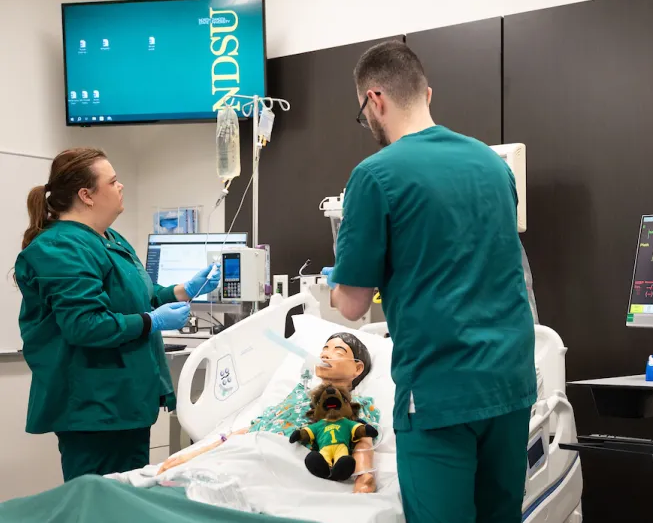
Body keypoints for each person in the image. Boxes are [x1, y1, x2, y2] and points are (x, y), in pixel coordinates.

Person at [323, 41, 537, 523]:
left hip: (441, 394)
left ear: (374, 100)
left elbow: (351, 306)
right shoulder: (492, 165)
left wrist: (337, 279)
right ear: (427, 93)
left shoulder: (376, 176)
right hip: (510, 382)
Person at [15, 148, 221, 482]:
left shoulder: (110, 239)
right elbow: (84, 325)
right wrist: (152, 321)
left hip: (124, 403)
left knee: (128, 505)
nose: (121, 186)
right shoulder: (61, 248)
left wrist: (182, 290)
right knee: (101, 510)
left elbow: (140, 295)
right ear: (87, 195)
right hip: (94, 409)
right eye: (112, 181)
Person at [157, 332, 381, 493]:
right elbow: (252, 428)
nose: (326, 355)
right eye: (324, 349)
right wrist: (194, 454)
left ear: (357, 368)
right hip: (247, 448)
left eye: (338, 351)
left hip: (282, 459)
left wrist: (365, 476)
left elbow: (361, 436)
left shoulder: (356, 403)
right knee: (178, 483)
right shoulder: (299, 394)